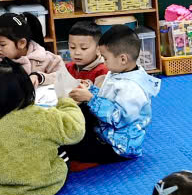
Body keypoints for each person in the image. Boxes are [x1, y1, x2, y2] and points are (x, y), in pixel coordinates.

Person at [0, 60, 85, 195]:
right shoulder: (45, 116)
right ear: (28, 89)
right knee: (62, 150)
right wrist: (66, 102)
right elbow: (76, 131)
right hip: (49, 185)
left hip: (2, 192)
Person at [65, 26, 160, 164]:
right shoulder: (120, 71)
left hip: (118, 147)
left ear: (123, 59)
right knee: (77, 114)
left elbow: (118, 118)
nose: (103, 62)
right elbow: (107, 97)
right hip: (106, 131)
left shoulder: (132, 88)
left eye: (105, 58)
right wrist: (91, 90)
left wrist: (90, 98)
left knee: (71, 148)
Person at [0, 12, 64, 85]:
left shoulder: (44, 59)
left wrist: (40, 77)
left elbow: (63, 76)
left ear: (21, 43)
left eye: (2, 44)